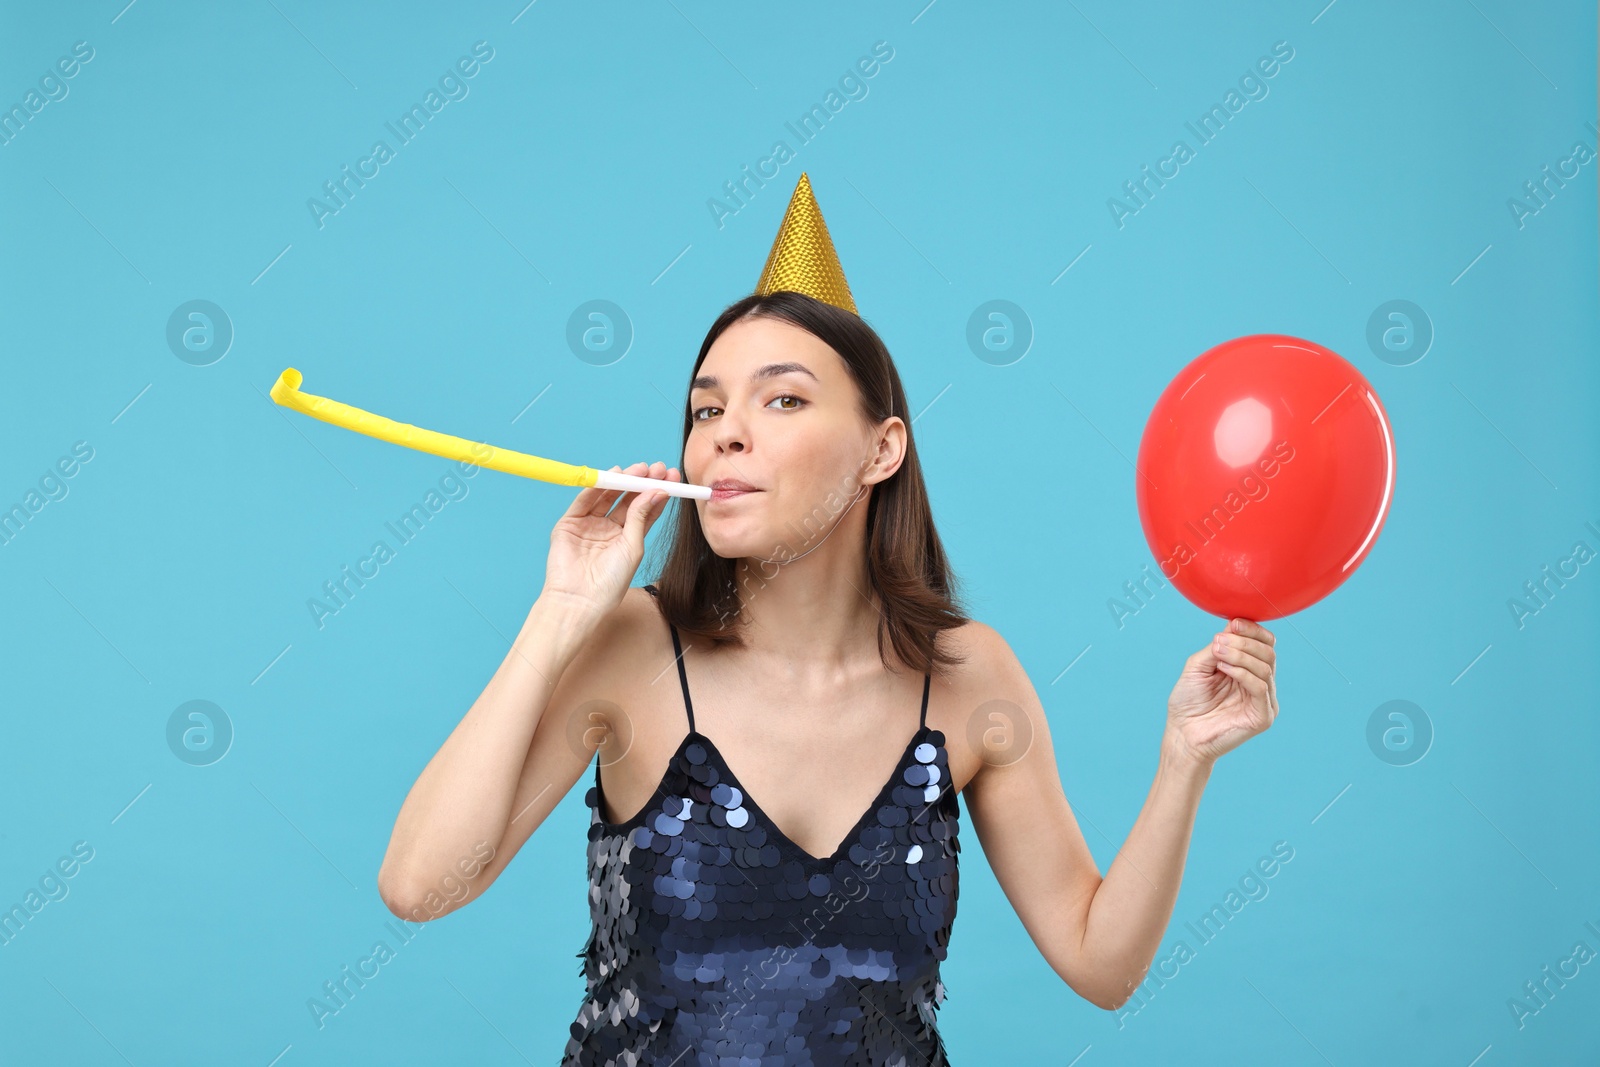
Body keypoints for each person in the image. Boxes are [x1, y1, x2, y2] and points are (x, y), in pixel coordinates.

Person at [377, 176, 1280, 1064]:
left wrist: (1183, 759)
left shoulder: (969, 677)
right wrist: (562, 613)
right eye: (706, 408)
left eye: (783, 399)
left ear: (880, 449)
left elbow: (1101, 963)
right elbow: (420, 886)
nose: (726, 431)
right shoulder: (632, 650)